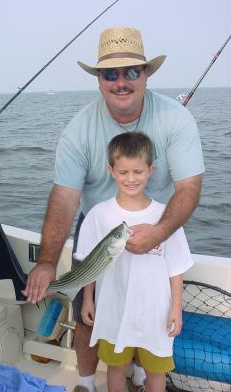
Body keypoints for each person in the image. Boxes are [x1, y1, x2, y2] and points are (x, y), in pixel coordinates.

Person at [23, 27, 204, 392]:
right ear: (99, 80)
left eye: (131, 72)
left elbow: (189, 188)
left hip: (158, 225)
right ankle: (88, 385)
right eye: (110, 74)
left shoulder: (177, 119)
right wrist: (46, 261)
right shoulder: (78, 131)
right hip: (98, 226)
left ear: (146, 74)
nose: (121, 82)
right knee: (90, 314)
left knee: (146, 308)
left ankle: (140, 374)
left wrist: (160, 231)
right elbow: (64, 198)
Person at [77, 131, 193, 392]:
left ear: (150, 170)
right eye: (124, 172)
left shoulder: (166, 215)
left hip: (157, 312)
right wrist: (88, 299)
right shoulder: (99, 214)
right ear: (111, 171)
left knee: (156, 370)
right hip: (113, 310)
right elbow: (89, 264)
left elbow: (175, 267)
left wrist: (176, 308)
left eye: (138, 171)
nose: (131, 179)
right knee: (115, 368)